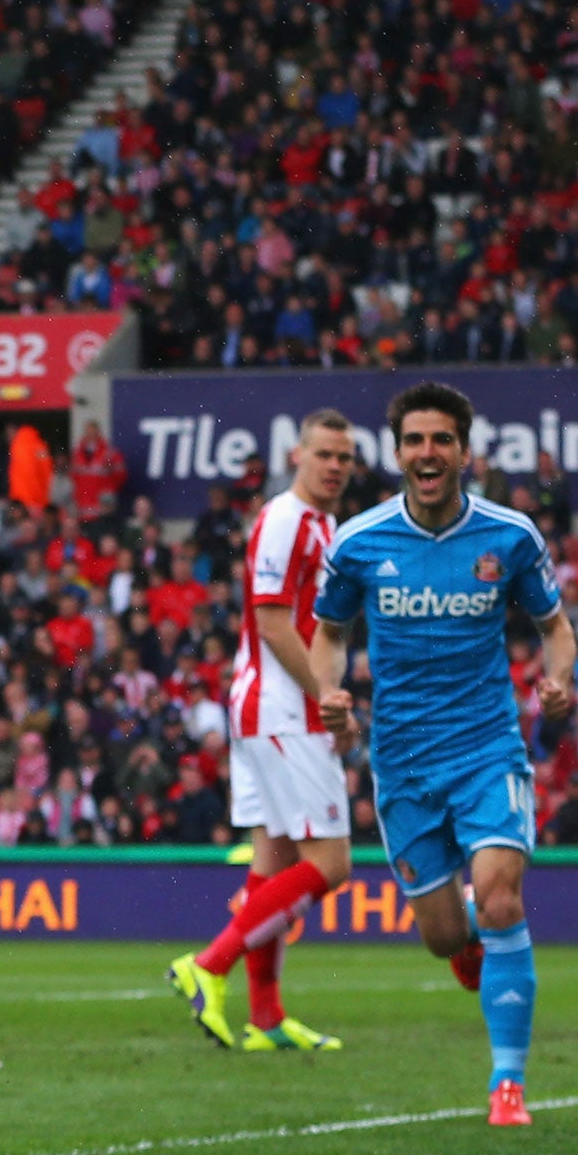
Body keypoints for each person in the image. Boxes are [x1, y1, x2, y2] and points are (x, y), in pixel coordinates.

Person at [309, 382, 577, 1127]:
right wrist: (330, 693)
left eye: (442, 440)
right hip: (401, 763)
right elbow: (328, 635)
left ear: (464, 450)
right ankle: (461, 934)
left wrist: (559, 678)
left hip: (488, 749)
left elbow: (556, 626)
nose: (429, 454)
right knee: (442, 938)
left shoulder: (510, 536)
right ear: (397, 455)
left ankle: (508, 1084)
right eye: (415, 442)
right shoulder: (359, 542)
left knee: (502, 895)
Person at [167, 410, 355, 1051]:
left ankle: (266, 1017)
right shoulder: (284, 520)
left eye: (345, 457)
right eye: (324, 453)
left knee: (271, 862)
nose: (335, 466)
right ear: (297, 455)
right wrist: (327, 696)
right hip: (282, 710)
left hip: (274, 708)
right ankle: (209, 963)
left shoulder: (324, 525)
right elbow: (274, 624)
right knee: (330, 863)